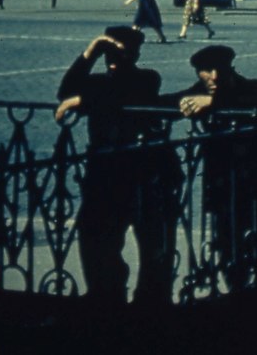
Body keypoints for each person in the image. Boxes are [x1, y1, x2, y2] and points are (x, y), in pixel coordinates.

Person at [54, 26, 180, 307]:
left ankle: (148, 301)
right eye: (107, 54)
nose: (112, 60)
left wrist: (82, 100)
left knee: (148, 240)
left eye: (121, 55)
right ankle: (106, 293)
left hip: (139, 172)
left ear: (135, 55)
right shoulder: (98, 82)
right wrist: (90, 51)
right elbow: (64, 90)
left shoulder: (147, 78)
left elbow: (122, 95)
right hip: (102, 172)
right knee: (96, 237)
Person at [164, 45, 257, 290]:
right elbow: (169, 103)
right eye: (206, 71)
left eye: (218, 69)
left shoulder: (253, 86)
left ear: (230, 68)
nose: (214, 76)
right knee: (225, 242)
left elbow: (254, 105)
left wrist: (211, 102)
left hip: (254, 181)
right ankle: (235, 290)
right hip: (221, 182)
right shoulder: (198, 91)